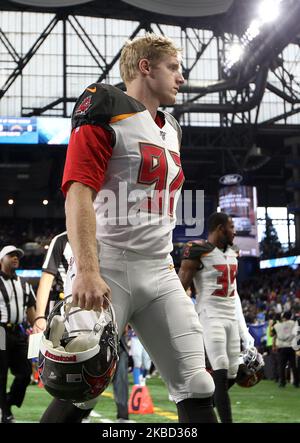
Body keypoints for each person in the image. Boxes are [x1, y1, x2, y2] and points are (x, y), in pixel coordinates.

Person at [43, 33, 217, 423]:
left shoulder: (170, 127)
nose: (181, 77)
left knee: (197, 383)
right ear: (145, 67)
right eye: (173, 67)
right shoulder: (107, 107)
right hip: (108, 267)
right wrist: (87, 270)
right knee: (80, 386)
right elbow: (78, 192)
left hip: (159, 268)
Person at [34, 232, 132, 423]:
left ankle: (122, 414)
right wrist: (39, 316)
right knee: (79, 376)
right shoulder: (62, 240)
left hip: (110, 317)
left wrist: (126, 314)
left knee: (117, 367)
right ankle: (83, 411)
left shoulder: (113, 233)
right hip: (77, 319)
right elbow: (47, 279)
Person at [178, 212, 254, 423]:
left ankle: (196, 411)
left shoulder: (233, 252)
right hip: (210, 315)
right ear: (220, 228)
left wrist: (244, 330)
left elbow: (235, 291)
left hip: (230, 316)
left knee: (231, 373)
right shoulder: (198, 250)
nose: (235, 231)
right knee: (220, 372)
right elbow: (179, 287)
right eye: (231, 226)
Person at [0, 245, 36, 423]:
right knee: (1, 372)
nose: (15, 258)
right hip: (0, 331)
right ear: (1, 260)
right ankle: (5, 413)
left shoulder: (24, 283)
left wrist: (37, 326)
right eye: (11, 255)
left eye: (17, 256)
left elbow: (30, 310)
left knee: (25, 372)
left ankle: (7, 401)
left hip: (18, 331)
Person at [272, 311, 299, 388]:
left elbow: (273, 334)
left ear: (283, 317)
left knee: (282, 366)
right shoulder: (294, 323)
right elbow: (296, 333)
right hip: (291, 347)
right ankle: (296, 382)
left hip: (281, 347)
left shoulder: (277, 325)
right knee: (293, 365)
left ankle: (282, 382)